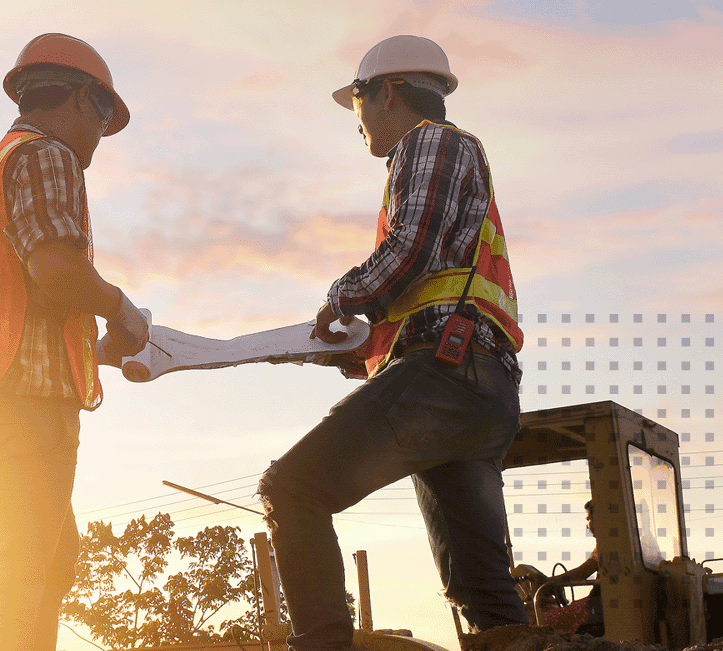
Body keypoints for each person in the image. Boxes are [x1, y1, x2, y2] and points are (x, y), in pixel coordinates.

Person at [257, 35, 527, 650]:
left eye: (356, 106)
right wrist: (368, 346)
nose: (357, 126)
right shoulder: (456, 155)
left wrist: (342, 298)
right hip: (477, 385)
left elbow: (413, 249)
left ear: (385, 94)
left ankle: (322, 643)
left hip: (447, 374)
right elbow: (436, 283)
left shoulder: (428, 141)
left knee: (291, 490)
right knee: (482, 590)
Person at [0, 33, 149, 651]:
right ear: (83, 100)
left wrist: (99, 345)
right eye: (104, 118)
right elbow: (57, 270)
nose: (99, 141)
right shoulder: (48, 156)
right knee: (7, 593)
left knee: (45, 563)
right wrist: (122, 308)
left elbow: (19, 299)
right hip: (28, 409)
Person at [542, 501, 600, 634]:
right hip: (598, 606)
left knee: (543, 621)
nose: (588, 526)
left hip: (597, 610)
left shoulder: (605, 546)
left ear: (599, 519)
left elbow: (581, 574)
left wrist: (546, 583)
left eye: (589, 519)